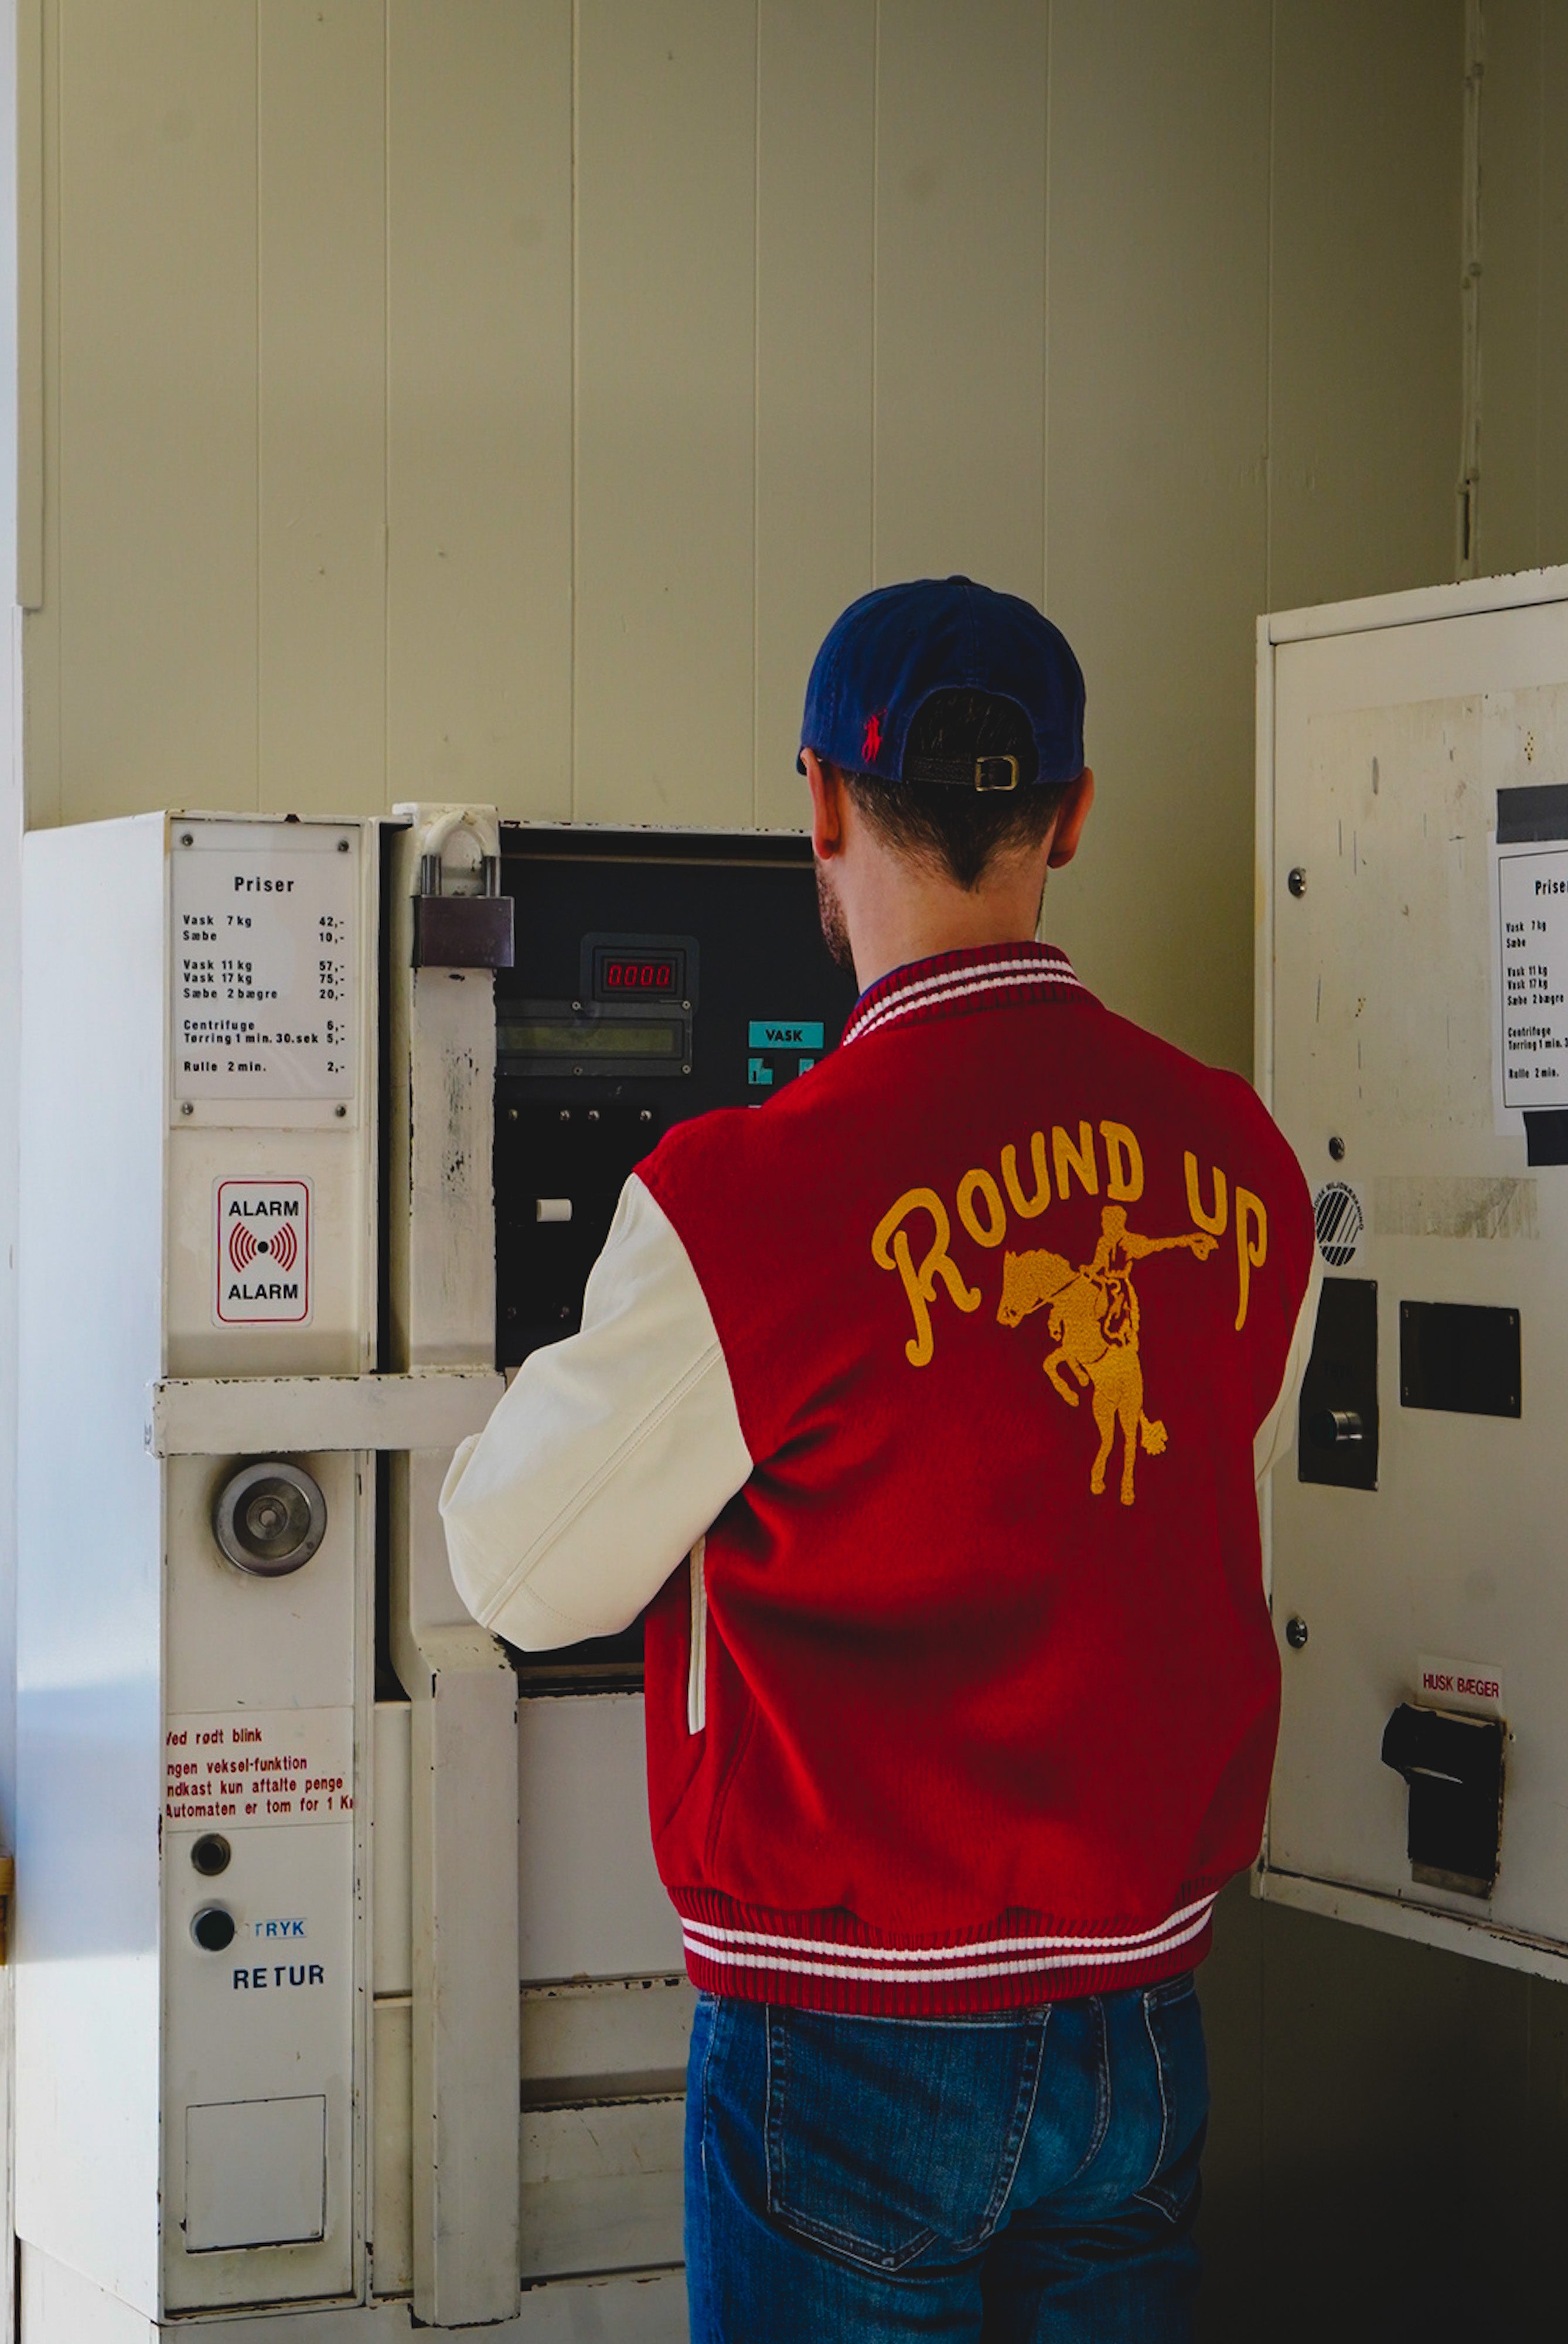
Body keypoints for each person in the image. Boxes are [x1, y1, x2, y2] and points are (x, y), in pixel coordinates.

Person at [441, 576, 1319, 2342]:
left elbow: (516, 1579)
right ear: (1067, 815)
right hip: (1137, 2012)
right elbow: (1176, 1475)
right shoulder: (1241, 1157)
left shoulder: (741, 1199)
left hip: (844, 2030)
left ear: (820, 806)